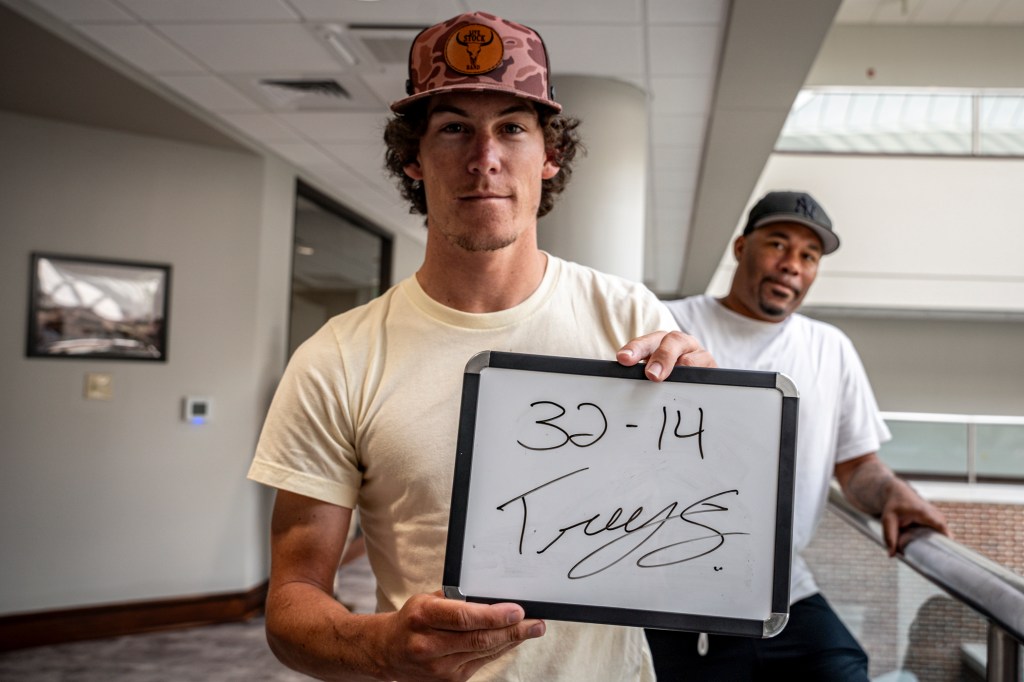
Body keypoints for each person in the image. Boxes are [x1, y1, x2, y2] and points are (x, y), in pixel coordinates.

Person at [247, 12, 715, 682]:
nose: (484, 157)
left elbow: (696, 529)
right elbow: (291, 604)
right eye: (454, 128)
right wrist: (380, 648)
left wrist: (709, 424)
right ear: (413, 158)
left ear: (550, 155)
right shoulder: (338, 357)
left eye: (513, 128)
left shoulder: (628, 319)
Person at [648, 190, 951, 680]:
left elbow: (856, 466)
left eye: (809, 256)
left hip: (781, 591)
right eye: (778, 244)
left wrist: (892, 493)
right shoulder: (669, 321)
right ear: (741, 248)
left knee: (844, 666)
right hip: (666, 592)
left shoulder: (830, 348)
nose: (793, 264)